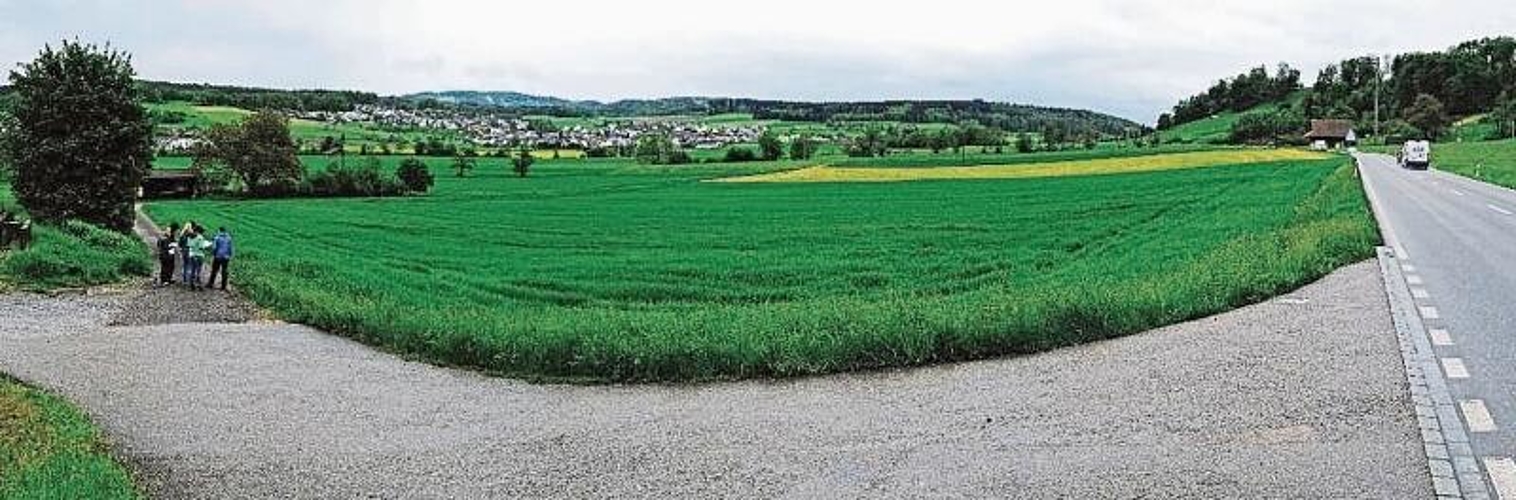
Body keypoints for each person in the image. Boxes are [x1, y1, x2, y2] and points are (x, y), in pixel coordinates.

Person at [207, 227, 234, 291]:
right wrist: (230, 255)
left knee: (214, 270)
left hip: (218, 256)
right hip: (226, 257)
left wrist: (213, 254)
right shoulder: (229, 238)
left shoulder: (217, 238)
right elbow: (230, 248)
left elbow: (214, 247)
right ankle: (223, 286)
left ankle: (210, 284)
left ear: (219, 231)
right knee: (224, 271)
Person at [185, 225, 211, 291]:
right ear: (200, 231)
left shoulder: (189, 236)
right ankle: (199, 285)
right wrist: (207, 244)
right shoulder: (200, 237)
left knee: (192, 270)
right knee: (198, 271)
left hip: (192, 255)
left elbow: (188, 245)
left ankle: (191, 285)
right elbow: (201, 247)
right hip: (199, 255)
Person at [178, 221, 195, 286]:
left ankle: (184, 279)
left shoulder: (182, 234)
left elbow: (179, 244)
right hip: (189, 251)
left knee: (185, 265)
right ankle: (189, 280)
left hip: (184, 251)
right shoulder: (192, 235)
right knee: (190, 265)